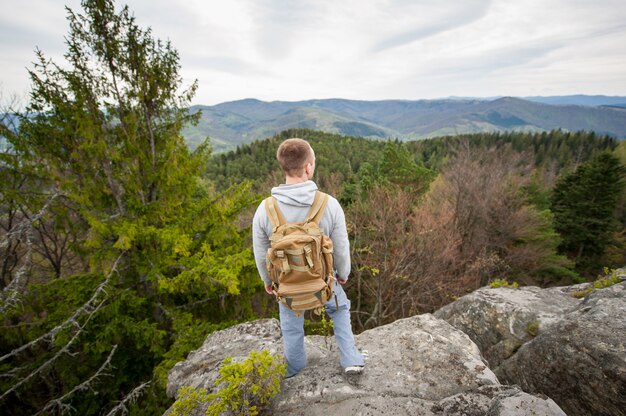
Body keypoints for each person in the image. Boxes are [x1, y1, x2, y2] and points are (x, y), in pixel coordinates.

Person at [252, 138, 365, 378]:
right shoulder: (329, 204)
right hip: (323, 282)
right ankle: (351, 360)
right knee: (340, 308)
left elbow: (261, 251)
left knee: (291, 324)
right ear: (308, 168)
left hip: (287, 285)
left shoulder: (265, 209)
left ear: (284, 167)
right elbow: (341, 247)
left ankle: (295, 368)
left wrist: (268, 281)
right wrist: (343, 274)